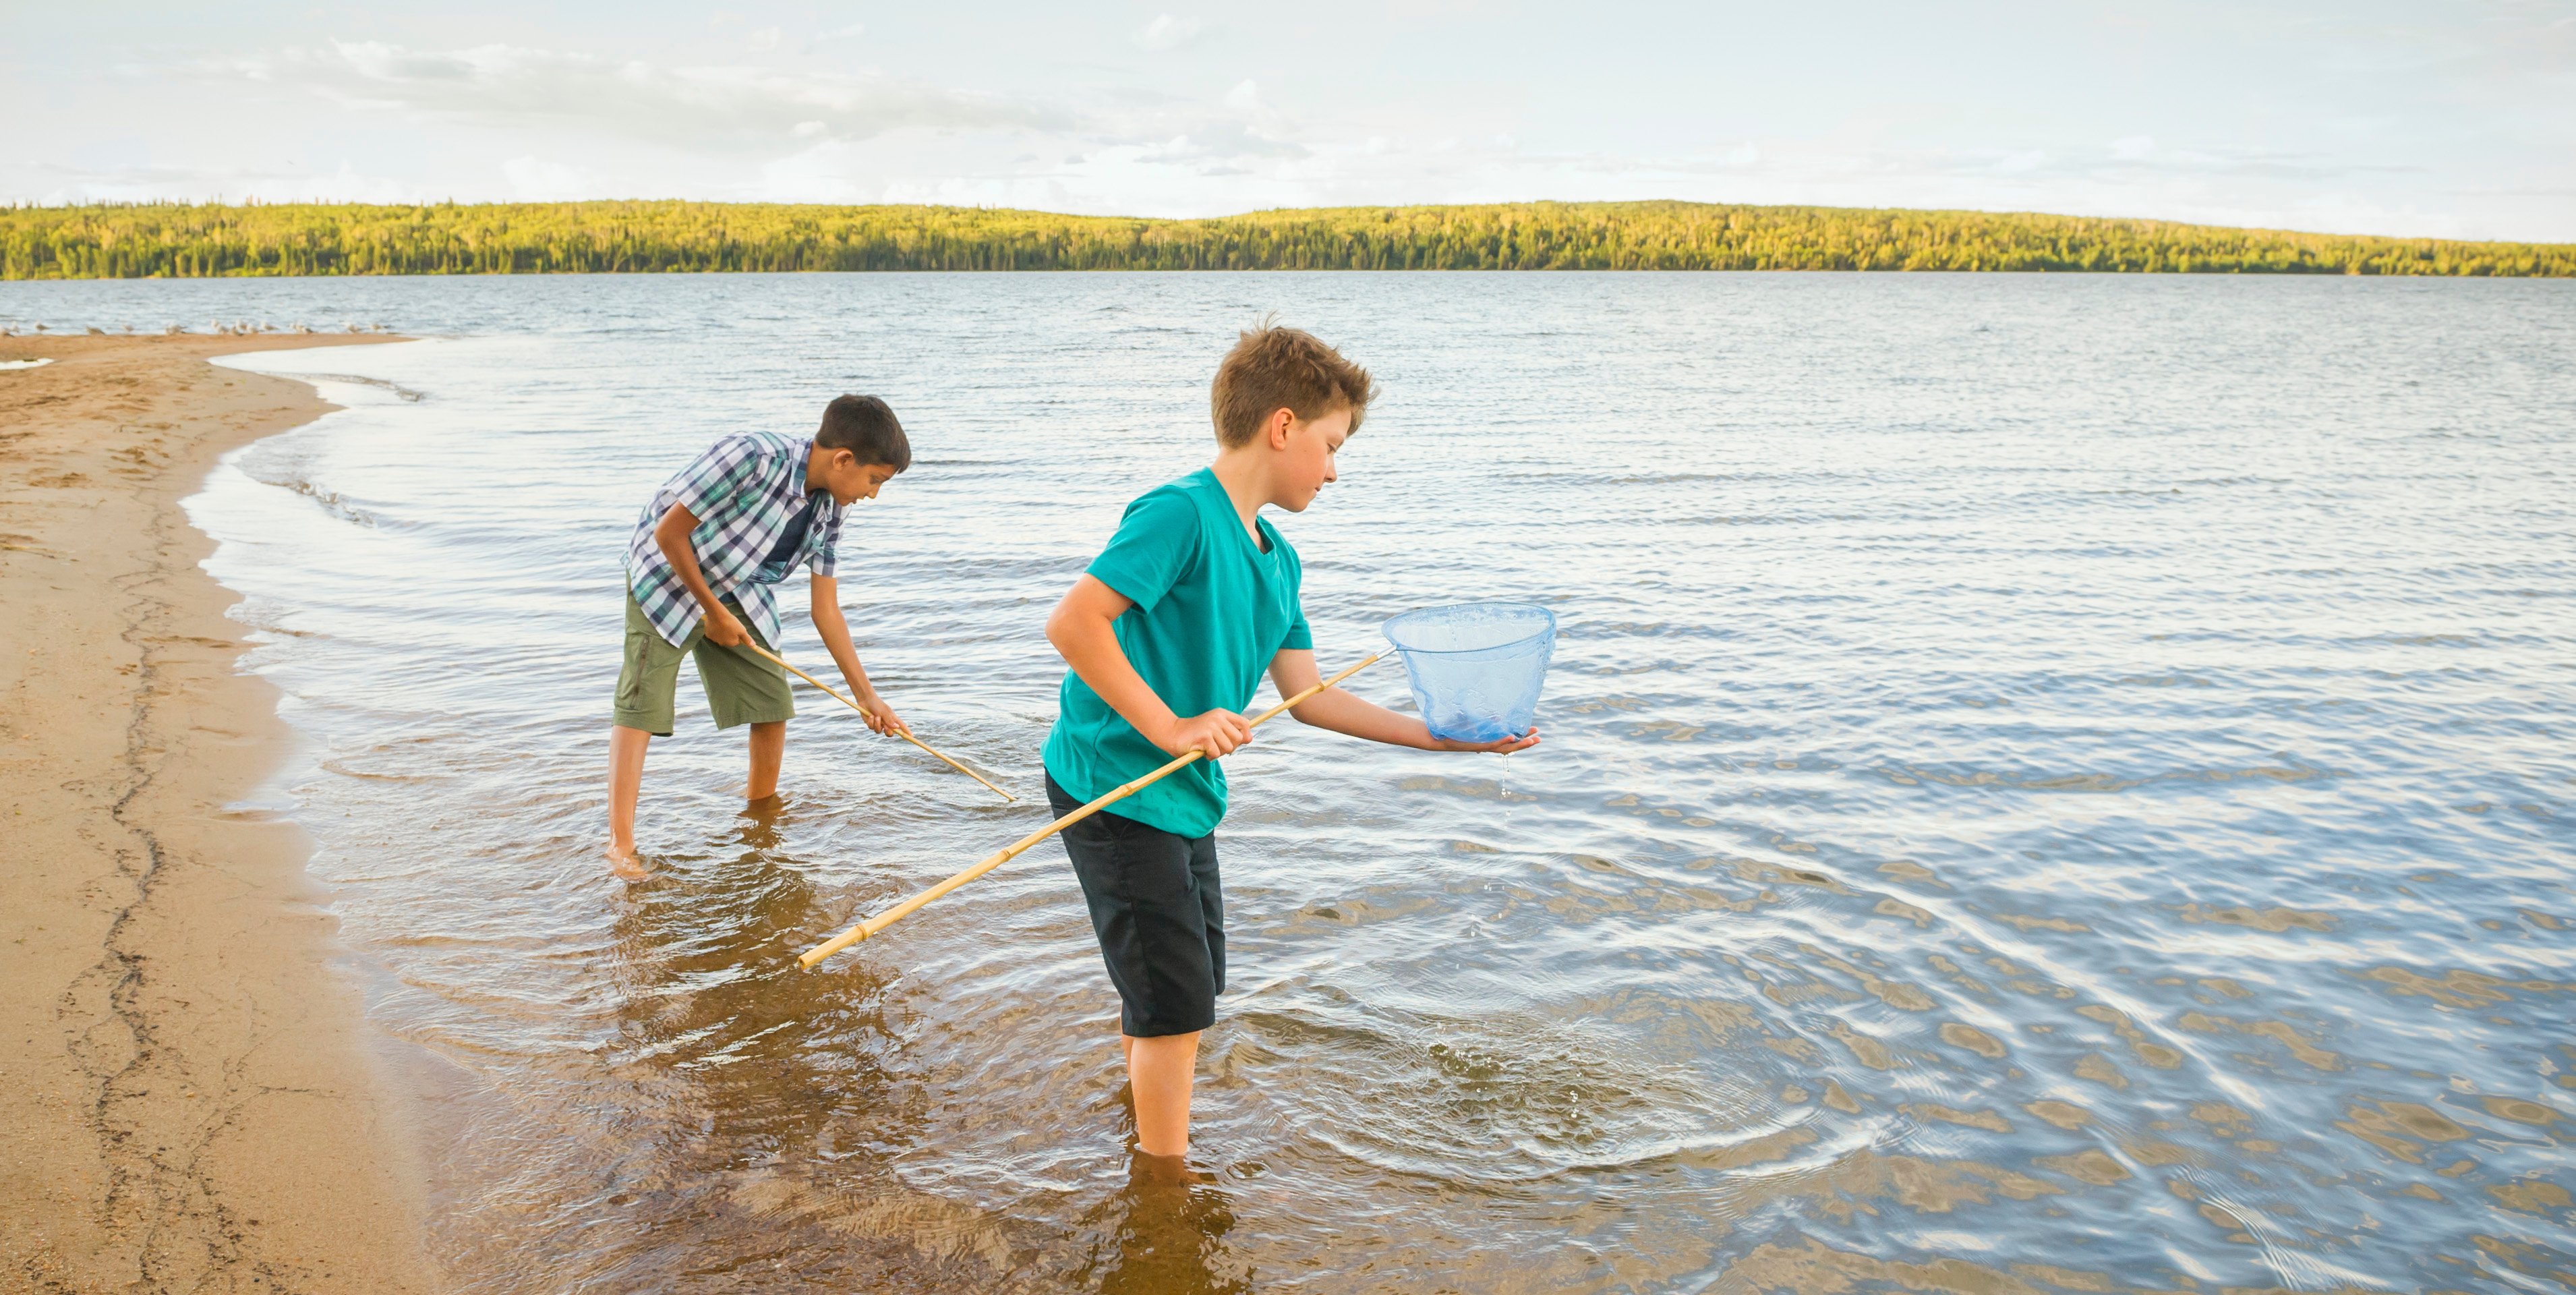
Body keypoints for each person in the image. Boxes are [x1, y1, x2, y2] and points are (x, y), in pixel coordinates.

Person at [1041, 323, 1540, 1168]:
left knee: (1187, 983)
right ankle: (1166, 1189)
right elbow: (1075, 622)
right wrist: (1172, 725)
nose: (1335, 469)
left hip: (1183, 795)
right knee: (1177, 1001)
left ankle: (1143, 1135)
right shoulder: (1181, 513)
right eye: (1331, 445)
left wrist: (1446, 741)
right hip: (1116, 783)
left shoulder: (1281, 562)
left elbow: (1309, 700)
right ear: (1282, 427)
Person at [605, 395, 914, 877]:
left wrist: (866, 697)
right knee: (643, 702)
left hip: (737, 585)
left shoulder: (832, 510)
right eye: (875, 480)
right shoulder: (751, 457)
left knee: (772, 703)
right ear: (844, 459)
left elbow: (825, 609)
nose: (873, 494)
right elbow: (669, 534)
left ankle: (760, 820)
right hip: (666, 572)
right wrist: (710, 612)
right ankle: (621, 845)